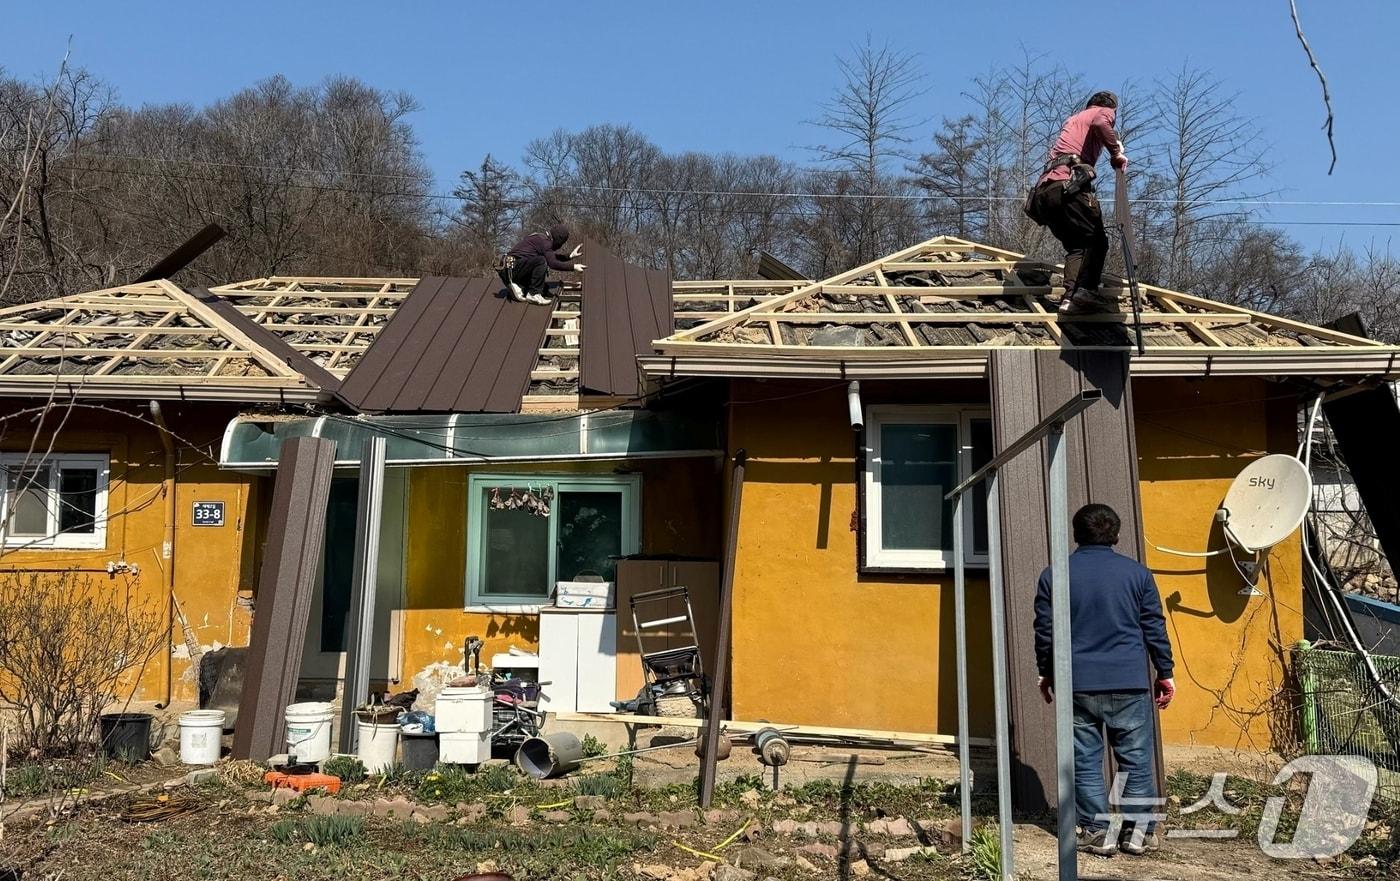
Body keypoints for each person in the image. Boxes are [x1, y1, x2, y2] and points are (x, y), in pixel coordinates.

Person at [1033, 503, 1175, 857]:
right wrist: (1165, 672)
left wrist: (1047, 671)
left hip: (1077, 681)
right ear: (1115, 534)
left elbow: (1045, 632)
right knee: (1136, 758)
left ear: (1077, 533)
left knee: (1084, 759)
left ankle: (1096, 831)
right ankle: (1138, 833)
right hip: (1128, 680)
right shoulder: (1138, 575)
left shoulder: (1055, 575)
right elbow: (1153, 626)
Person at [1025, 92, 1129, 316]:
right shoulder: (1102, 112)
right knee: (1097, 241)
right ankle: (1085, 292)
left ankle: (1071, 298)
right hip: (1069, 184)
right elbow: (1102, 123)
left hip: (1045, 192)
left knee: (1077, 245)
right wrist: (1116, 153)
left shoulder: (1074, 119)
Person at [500, 223, 585, 305]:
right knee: (541, 261)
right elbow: (553, 263)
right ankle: (534, 294)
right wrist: (573, 267)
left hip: (511, 269)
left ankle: (522, 287)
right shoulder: (545, 242)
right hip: (512, 269)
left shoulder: (542, 239)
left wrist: (570, 256)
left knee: (543, 288)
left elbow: (551, 257)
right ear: (558, 240)